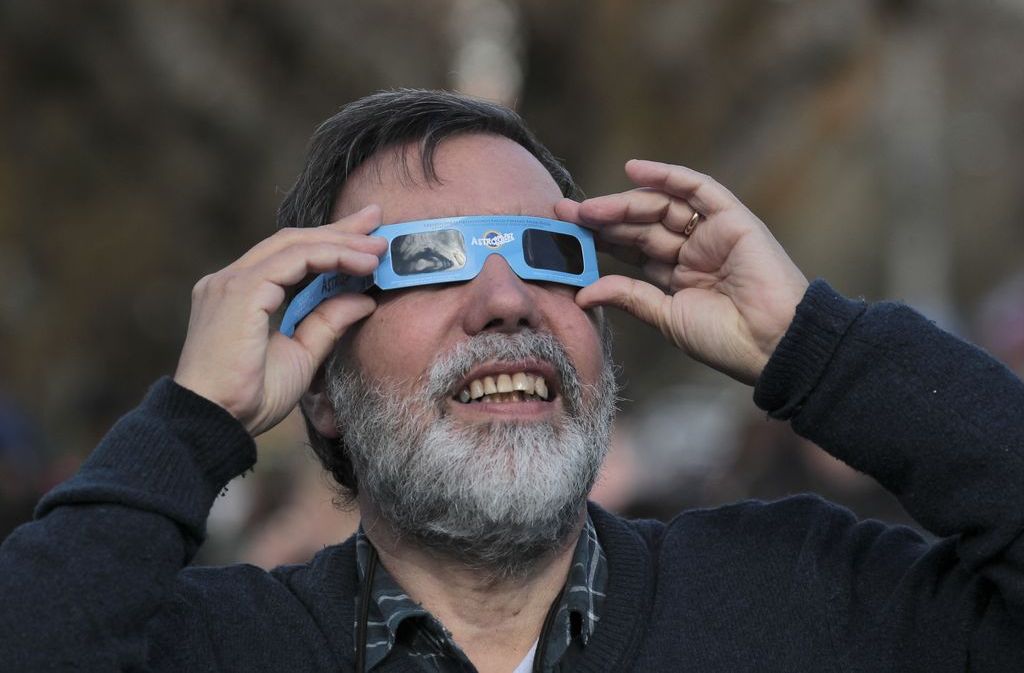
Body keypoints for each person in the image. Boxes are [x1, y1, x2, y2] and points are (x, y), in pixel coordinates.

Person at [1, 89, 1022, 672]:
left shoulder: (807, 598)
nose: (506, 299)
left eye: (545, 252)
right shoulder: (208, 646)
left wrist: (822, 347)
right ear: (317, 381)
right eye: (427, 260)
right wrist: (189, 427)